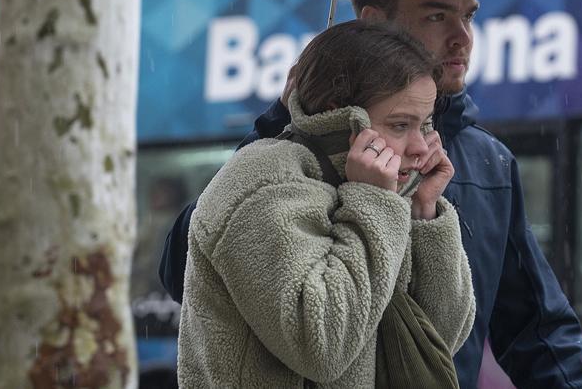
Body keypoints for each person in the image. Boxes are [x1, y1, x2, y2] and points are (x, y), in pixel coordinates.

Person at [162, 0, 582, 387]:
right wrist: (285, 126)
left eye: (470, 15)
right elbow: (185, 272)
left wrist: (426, 217)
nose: (463, 38)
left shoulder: (487, 163)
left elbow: (512, 332)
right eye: (437, 15)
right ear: (376, 23)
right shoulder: (276, 164)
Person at [178, 21, 475, 387]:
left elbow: (440, 339)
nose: (421, 146)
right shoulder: (262, 182)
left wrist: (424, 212)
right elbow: (322, 348)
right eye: (400, 125)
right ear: (341, 114)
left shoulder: (387, 194)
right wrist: (374, 203)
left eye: (425, 124)